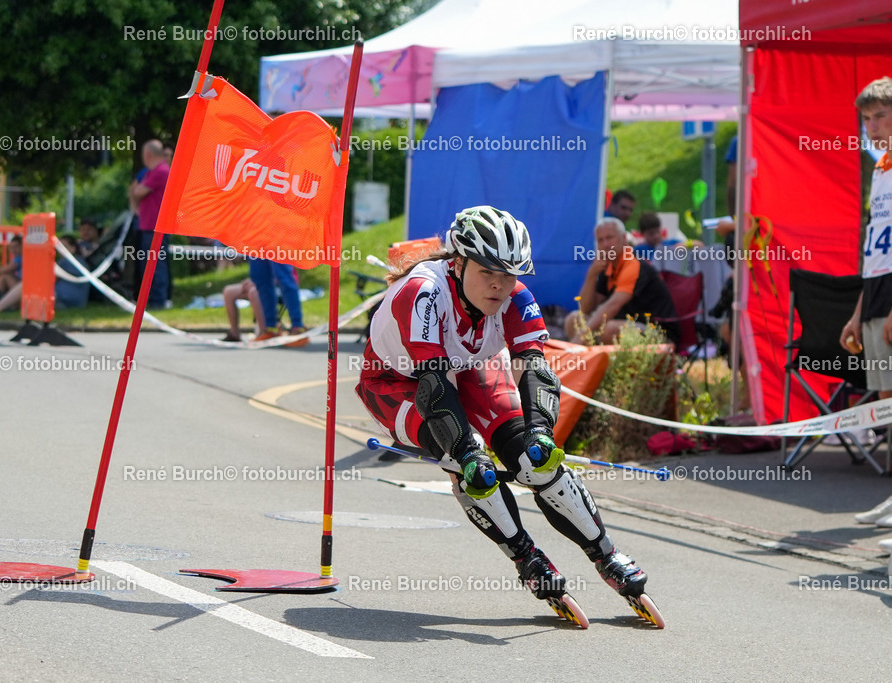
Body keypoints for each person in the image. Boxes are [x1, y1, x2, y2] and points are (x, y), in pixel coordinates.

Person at [355, 206, 653, 618]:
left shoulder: (516, 297)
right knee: (470, 464)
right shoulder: (423, 293)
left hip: (469, 367)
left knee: (537, 461)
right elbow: (434, 387)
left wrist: (541, 433)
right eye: (487, 273)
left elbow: (536, 371)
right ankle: (526, 556)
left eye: (509, 274)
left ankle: (606, 554)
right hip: (398, 380)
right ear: (458, 264)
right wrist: (466, 452)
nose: (499, 285)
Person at [841, 77, 892, 541]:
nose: (872, 126)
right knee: (884, 403)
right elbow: (875, 248)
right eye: (866, 119)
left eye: (880, 116)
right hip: (875, 291)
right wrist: (859, 312)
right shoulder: (880, 169)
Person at [565, 217, 679, 346]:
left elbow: (612, 306)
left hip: (660, 334)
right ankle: (590, 358)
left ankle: (594, 356)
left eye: (609, 237)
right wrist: (591, 274)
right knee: (574, 320)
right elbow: (585, 309)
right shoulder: (607, 266)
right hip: (626, 324)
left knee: (610, 330)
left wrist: (581, 336)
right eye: (600, 240)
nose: (605, 244)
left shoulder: (634, 264)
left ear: (624, 238)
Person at [128, 139, 171, 309]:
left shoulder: (160, 171)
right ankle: (153, 300)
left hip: (155, 227)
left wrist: (135, 195)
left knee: (156, 265)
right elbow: (135, 191)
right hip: (148, 226)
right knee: (148, 265)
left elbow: (137, 191)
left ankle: (158, 301)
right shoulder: (153, 172)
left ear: (147, 154)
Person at [248, 258, 308, 347]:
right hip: (257, 249)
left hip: (278, 248)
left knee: (284, 276)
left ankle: (298, 328)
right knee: (260, 278)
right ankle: (271, 329)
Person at [222, 278, 265, 342]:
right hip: (259, 282)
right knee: (228, 291)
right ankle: (234, 333)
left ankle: (263, 332)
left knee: (253, 292)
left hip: (272, 285)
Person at [54, 235, 90, 309]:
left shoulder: (65, 261)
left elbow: (49, 279)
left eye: (64, 247)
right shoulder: (81, 261)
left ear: (73, 248)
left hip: (63, 300)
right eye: (59, 247)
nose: (60, 250)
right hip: (80, 302)